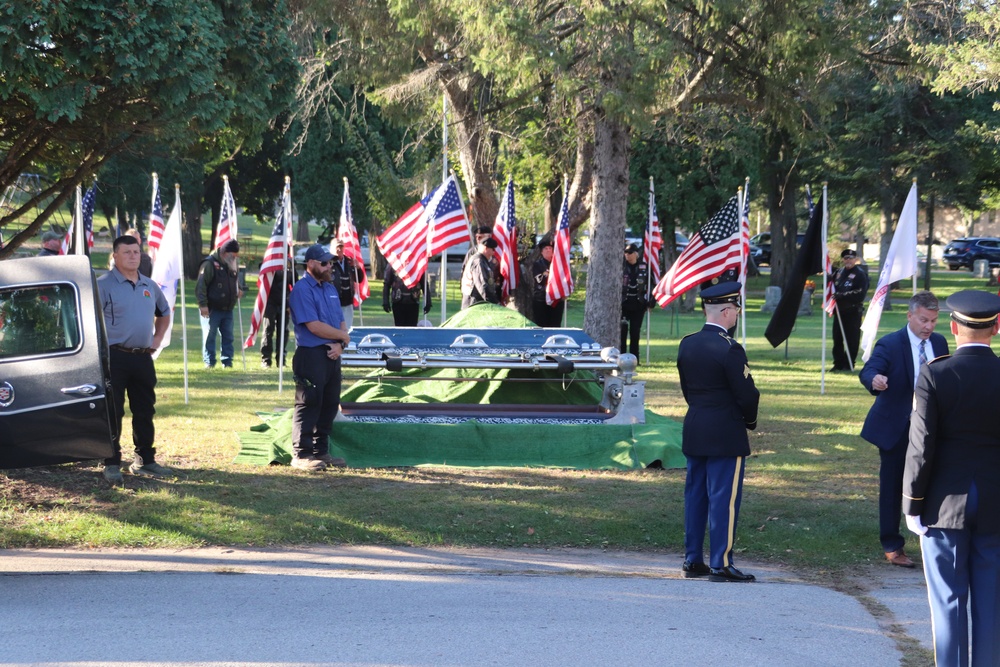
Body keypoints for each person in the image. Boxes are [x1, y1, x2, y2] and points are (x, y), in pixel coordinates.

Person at [904, 290, 1000, 667]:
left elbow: (921, 446)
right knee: (992, 604)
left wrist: (912, 503)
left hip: (943, 502)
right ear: (997, 327)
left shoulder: (936, 372)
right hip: (995, 501)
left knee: (948, 602)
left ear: (953, 327)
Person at [677, 282, 760, 583]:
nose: (737, 315)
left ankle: (692, 559)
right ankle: (720, 563)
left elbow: (688, 389)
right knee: (723, 498)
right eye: (735, 309)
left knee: (696, 496)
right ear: (726, 311)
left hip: (696, 425)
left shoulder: (687, 343)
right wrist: (748, 421)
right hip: (725, 431)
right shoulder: (730, 348)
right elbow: (748, 395)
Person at [859, 291, 949, 568]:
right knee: (893, 485)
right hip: (896, 428)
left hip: (931, 428)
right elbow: (869, 369)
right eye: (923, 319)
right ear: (909, 315)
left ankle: (933, 537)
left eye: (933, 320)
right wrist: (875, 379)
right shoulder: (890, 343)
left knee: (933, 482)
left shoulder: (939, 342)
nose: (929, 326)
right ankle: (892, 544)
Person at [95, 235, 173, 483]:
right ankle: (111, 462)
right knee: (113, 411)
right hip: (113, 358)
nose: (133, 256)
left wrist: (157, 339)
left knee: (144, 410)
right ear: (115, 256)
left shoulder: (149, 285)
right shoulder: (103, 285)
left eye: (136, 252)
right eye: (127, 252)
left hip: (142, 358)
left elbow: (164, 313)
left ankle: (145, 460)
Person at [288, 244, 351, 471]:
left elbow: (340, 320)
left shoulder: (330, 288)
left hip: (332, 354)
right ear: (311, 264)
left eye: (331, 263)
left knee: (329, 404)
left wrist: (340, 344)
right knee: (309, 403)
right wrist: (342, 337)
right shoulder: (302, 290)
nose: (329, 266)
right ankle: (301, 454)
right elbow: (314, 326)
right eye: (325, 263)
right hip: (311, 354)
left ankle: (320, 451)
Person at [196, 239, 242, 369]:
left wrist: (239, 289)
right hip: (211, 308)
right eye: (233, 255)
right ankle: (209, 362)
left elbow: (234, 281)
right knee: (209, 335)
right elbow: (201, 286)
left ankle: (227, 362)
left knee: (228, 336)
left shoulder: (231, 263)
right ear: (224, 253)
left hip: (228, 308)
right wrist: (203, 304)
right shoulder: (209, 264)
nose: (235, 258)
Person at [830, 248, 869, 371]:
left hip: (852, 311)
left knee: (851, 339)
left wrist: (843, 295)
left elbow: (860, 293)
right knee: (837, 339)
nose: (848, 260)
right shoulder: (839, 272)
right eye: (846, 258)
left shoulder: (860, 274)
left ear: (855, 259)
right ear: (843, 259)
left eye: (851, 258)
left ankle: (848, 364)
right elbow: (831, 286)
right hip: (839, 311)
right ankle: (838, 364)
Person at [260, 258, 295, 369]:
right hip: (270, 302)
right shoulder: (270, 261)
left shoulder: (290, 265)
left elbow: (295, 285)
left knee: (283, 332)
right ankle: (266, 359)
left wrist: (291, 304)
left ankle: (281, 360)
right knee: (268, 330)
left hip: (285, 303)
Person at [620, 243, 649, 358]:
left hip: (638, 304)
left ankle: (634, 357)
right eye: (626, 252)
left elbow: (651, 284)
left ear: (636, 254)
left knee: (635, 332)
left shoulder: (644, 267)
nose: (627, 255)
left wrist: (651, 301)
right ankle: (621, 356)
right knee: (622, 331)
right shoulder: (621, 266)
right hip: (624, 304)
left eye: (630, 253)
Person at [330, 239, 364, 330]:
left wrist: (358, 268)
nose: (339, 250)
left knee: (347, 327)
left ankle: (346, 343)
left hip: (348, 300)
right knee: (335, 327)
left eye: (341, 247)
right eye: (337, 247)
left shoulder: (349, 262)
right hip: (334, 301)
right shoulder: (329, 263)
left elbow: (359, 279)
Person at [531, 238, 563, 327]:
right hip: (542, 299)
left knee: (555, 325)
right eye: (546, 248)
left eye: (550, 248)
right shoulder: (538, 264)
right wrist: (547, 274)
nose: (548, 250)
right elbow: (539, 280)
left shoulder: (558, 264)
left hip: (556, 300)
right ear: (542, 252)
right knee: (542, 325)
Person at [461, 237, 500, 309]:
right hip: (474, 302)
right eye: (492, 249)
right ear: (486, 248)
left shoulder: (483, 261)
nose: (493, 252)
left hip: (478, 300)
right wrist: (493, 302)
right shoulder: (478, 261)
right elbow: (482, 284)